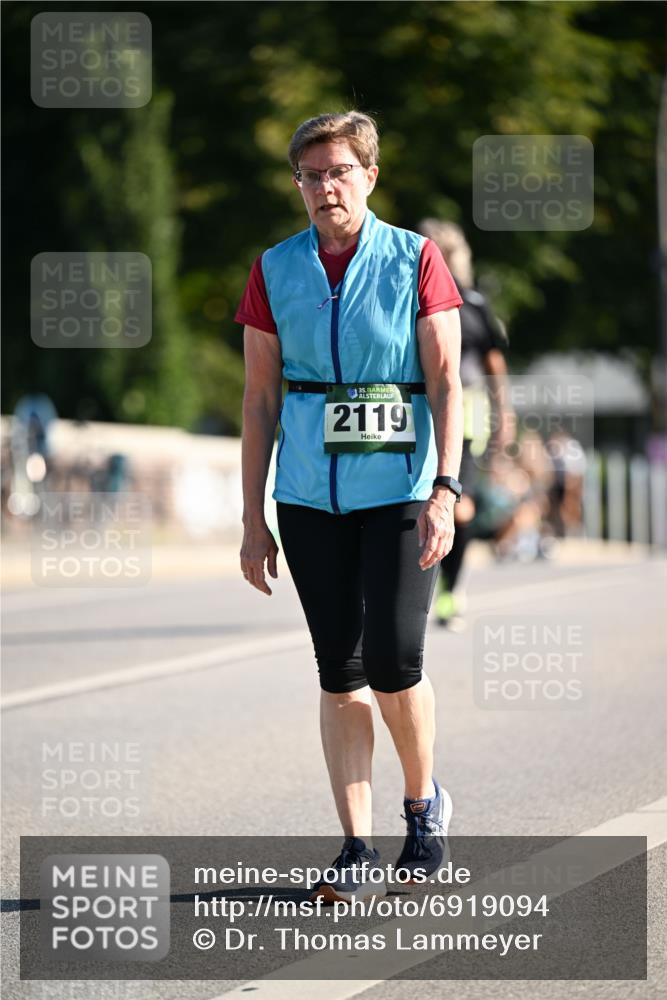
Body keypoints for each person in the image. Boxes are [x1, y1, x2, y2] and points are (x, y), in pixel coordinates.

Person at [236, 112, 463, 904]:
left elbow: (445, 383)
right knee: (340, 673)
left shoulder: (416, 259)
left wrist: (446, 488)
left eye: (338, 171)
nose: (324, 186)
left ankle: (422, 811)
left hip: (400, 491)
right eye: (310, 174)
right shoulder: (274, 268)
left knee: (398, 664)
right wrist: (250, 515)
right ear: (296, 184)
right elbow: (259, 399)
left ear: (368, 175)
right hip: (306, 495)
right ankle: (356, 845)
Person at [417, 220, 513, 628]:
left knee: (460, 507)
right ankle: (414, 588)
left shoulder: (472, 304)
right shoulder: (406, 295)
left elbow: (494, 364)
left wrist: (504, 414)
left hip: (466, 416)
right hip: (416, 411)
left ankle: (451, 589)